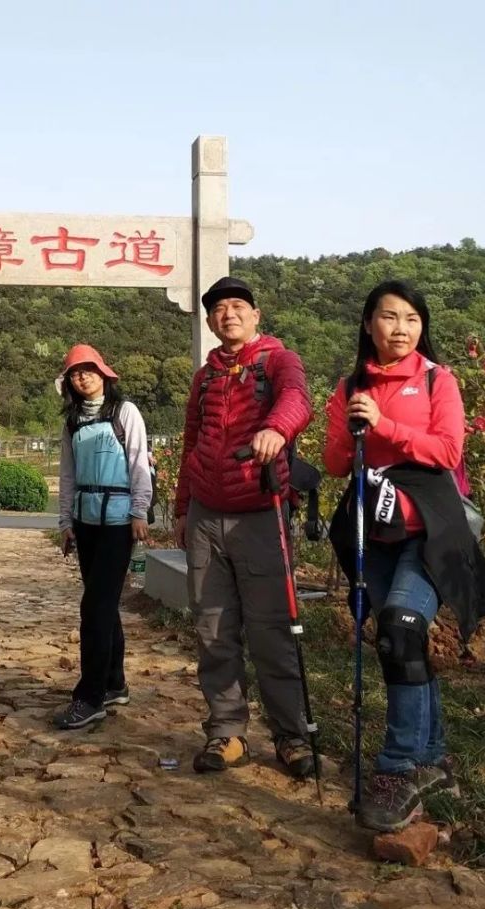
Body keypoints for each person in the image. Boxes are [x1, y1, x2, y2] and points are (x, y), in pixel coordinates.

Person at [324, 279, 485, 832]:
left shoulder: (437, 380)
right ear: (367, 324)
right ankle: (435, 756)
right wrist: (351, 427)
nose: (400, 329)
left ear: (422, 327)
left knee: (400, 630)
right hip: (375, 531)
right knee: (405, 640)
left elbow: (448, 450)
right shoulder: (350, 385)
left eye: (411, 319)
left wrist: (386, 426)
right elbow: (335, 463)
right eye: (388, 317)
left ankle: (398, 769)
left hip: (430, 528)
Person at [174, 276, 316, 777]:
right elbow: (193, 441)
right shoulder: (206, 376)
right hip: (207, 519)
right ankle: (227, 732)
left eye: (238, 306)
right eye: (218, 309)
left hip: (261, 514)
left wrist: (276, 428)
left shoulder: (277, 359)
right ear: (210, 322)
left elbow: (298, 399)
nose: (227, 314)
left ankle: (292, 735)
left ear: (256, 315)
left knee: (272, 632)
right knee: (213, 631)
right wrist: (182, 509)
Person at [55, 344, 152, 729]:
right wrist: (65, 522)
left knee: (93, 607)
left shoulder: (124, 412)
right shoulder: (72, 421)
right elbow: (67, 475)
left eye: (88, 370)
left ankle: (90, 696)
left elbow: (138, 461)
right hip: (85, 521)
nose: (83, 377)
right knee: (104, 605)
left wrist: (139, 512)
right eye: (75, 372)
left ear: (103, 374)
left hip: (117, 522)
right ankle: (113, 682)